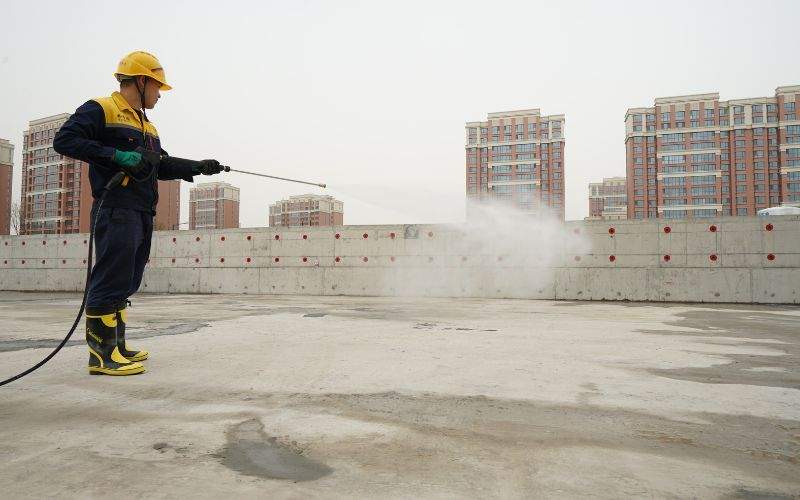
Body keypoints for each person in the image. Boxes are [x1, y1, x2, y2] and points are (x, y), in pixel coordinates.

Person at [54, 51, 224, 376]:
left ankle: (116, 346)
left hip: (142, 209)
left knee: (128, 279)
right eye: (158, 87)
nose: (160, 94)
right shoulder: (101, 108)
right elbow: (65, 140)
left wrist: (199, 167)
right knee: (110, 277)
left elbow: (160, 164)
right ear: (142, 81)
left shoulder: (146, 124)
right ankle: (101, 357)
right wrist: (116, 154)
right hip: (115, 207)